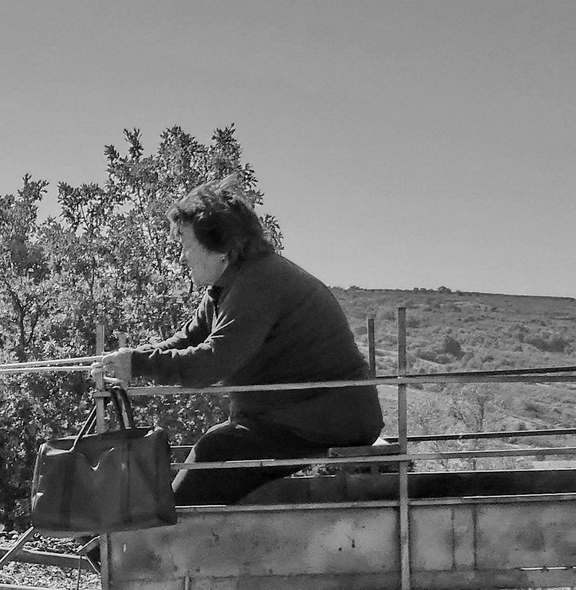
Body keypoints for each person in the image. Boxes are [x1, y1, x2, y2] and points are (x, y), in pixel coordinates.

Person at [98, 178, 384, 506]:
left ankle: (158, 541)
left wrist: (139, 363)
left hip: (331, 419)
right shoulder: (229, 285)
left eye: (187, 245)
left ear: (220, 249)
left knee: (218, 449)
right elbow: (191, 337)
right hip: (302, 417)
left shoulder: (258, 283)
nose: (182, 257)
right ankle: (157, 531)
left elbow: (214, 359)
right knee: (217, 448)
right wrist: (134, 358)